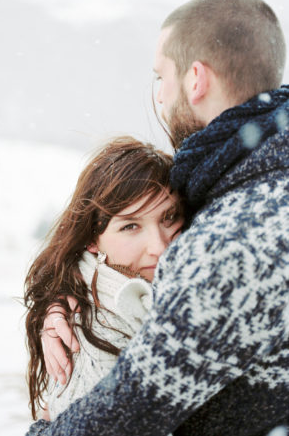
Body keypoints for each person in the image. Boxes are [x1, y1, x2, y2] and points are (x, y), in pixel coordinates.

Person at [26, 0, 289, 436]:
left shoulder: (235, 234)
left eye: (160, 78)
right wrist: (68, 287)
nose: (161, 99)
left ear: (195, 80)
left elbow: (133, 412)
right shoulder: (251, 181)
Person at [24, 137, 185, 421]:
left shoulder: (81, 297)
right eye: (131, 226)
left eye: (169, 217)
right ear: (92, 241)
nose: (159, 246)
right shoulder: (96, 340)